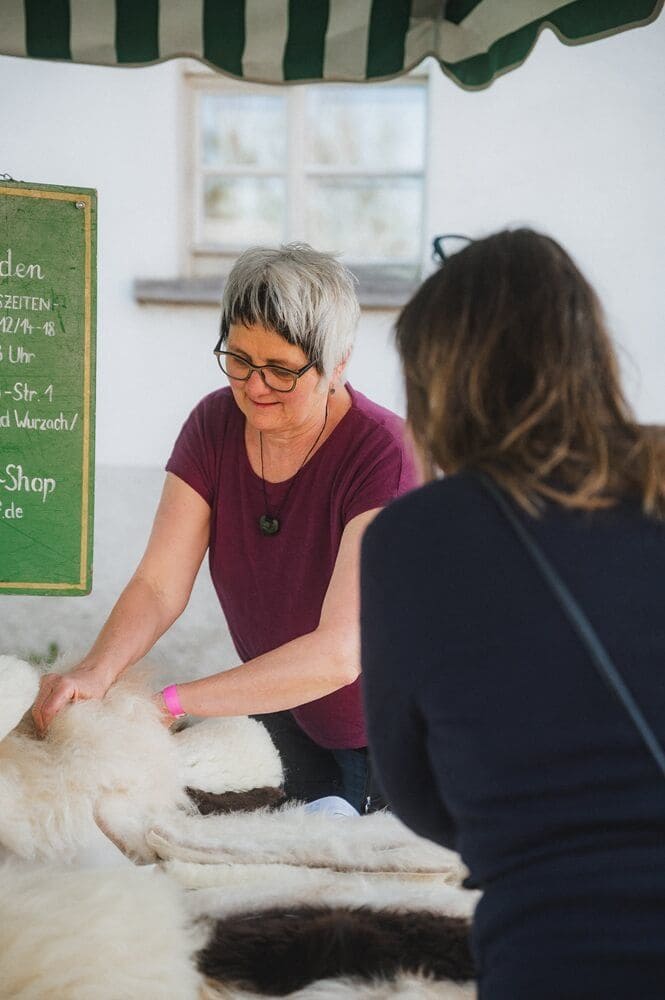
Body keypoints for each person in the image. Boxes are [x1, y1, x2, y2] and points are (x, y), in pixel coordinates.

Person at [360, 229, 665, 997]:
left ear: (438, 383)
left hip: (554, 951)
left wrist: (528, 828)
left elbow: (412, 789)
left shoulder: (413, 536)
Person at [32, 243, 418, 813]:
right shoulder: (214, 424)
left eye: (282, 370)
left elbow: (339, 654)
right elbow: (160, 585)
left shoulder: (384, 456)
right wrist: (97, 669)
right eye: (239, 359)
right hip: (280, 710)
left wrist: (171, 702)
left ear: (338, 363)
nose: (255, 387)